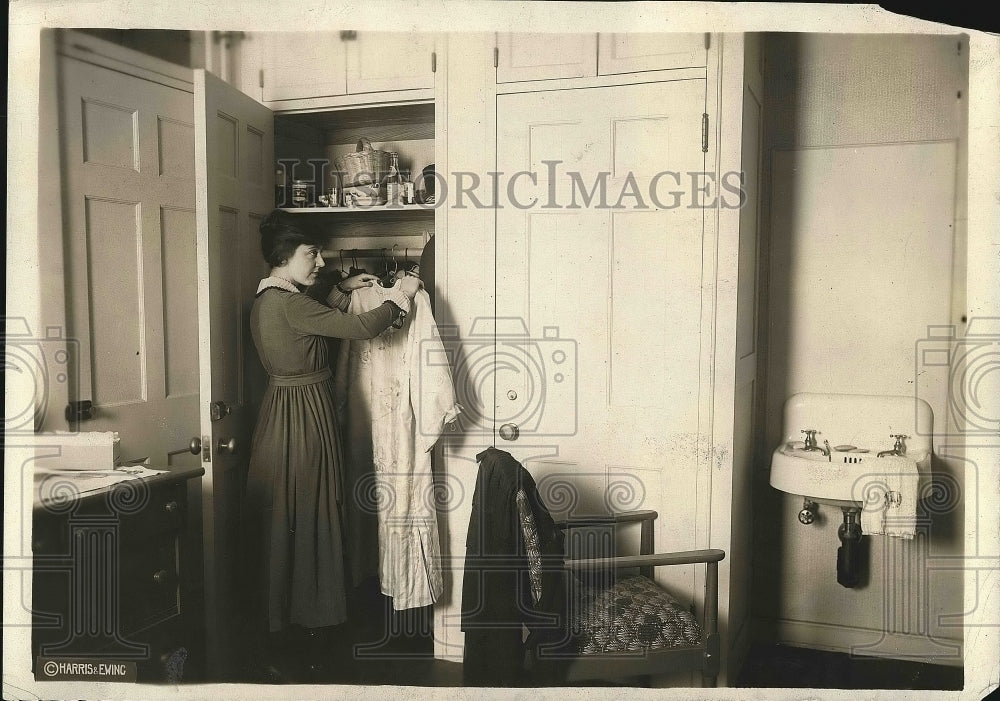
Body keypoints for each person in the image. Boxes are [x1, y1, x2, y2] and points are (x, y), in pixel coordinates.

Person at [243, 209, 421, 678]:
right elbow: (362, 328)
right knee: (314, 510)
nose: (320, 261)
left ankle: (289, 618)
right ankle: (313, 621)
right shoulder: (292, 304)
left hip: (282, 412)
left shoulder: (270, 299)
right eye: (311, 253)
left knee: (289, 515)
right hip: (304, 416)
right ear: (284, 258)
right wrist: (401, 295)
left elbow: (312, 318)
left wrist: (341, 289)